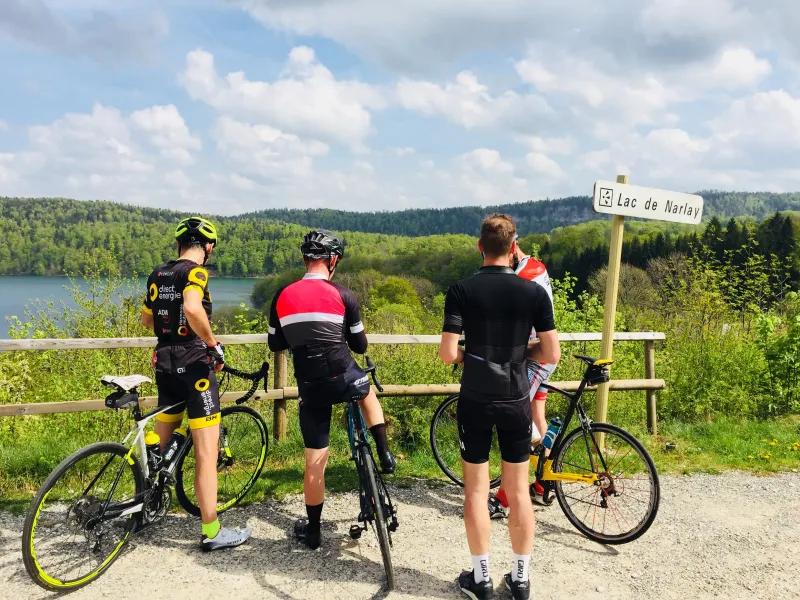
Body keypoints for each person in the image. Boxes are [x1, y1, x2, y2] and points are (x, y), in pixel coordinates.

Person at [439, 214, 560, 600]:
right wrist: (516, 353)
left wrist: (471, 354)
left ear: (480, 246)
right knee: (519, 491)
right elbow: (551, 351)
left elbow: (447, 354)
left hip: (475, 399)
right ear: (513, 249)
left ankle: (482, 579)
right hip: (515, 400)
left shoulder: (460, 290)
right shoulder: (534, 293)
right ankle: (521, 580)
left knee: (476, 492)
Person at [267, 229, 396, 550]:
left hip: (310, 386)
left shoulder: (281, 296)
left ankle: (313, 532)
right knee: (366, 391)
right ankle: (383, 451)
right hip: (345, 375)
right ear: (333, 260)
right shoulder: (344, 295)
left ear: (304, 259)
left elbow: (275, 343)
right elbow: (360, 343)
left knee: (315, 461)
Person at [141, 216, 251, 551]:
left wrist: (169, 332)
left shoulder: (159, 273)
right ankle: (212, 532)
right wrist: (213, 344)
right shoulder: (196, 272)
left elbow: (148, 319)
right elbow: (191, 306)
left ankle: (144, 508)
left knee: (159, 449)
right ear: (209, 247)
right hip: (195, 370)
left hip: (165, 365)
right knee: (206, 453)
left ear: (178, 244)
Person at [488, 241, 559, 519]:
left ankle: (504, 498)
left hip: (536, 357)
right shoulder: (532, 266)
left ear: (512, 249)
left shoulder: (525, 273)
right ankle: (543, 483)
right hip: (539, 354)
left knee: (514, 422)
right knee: (537, 420)